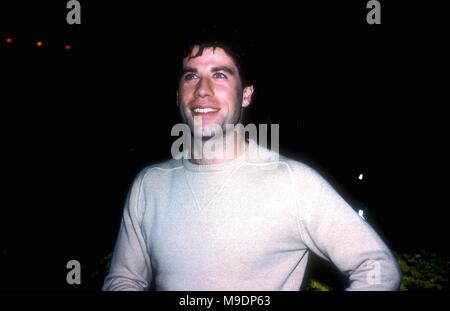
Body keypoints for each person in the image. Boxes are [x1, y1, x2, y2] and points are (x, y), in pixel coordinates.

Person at [103, 38, 401, 291]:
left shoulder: (292, 181)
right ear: (177, 95)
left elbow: (378, 267)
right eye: (191, 76)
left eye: (220, 75)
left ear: (246, 94)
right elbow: (123, 278)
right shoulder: (149, 184)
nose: (202, 89)